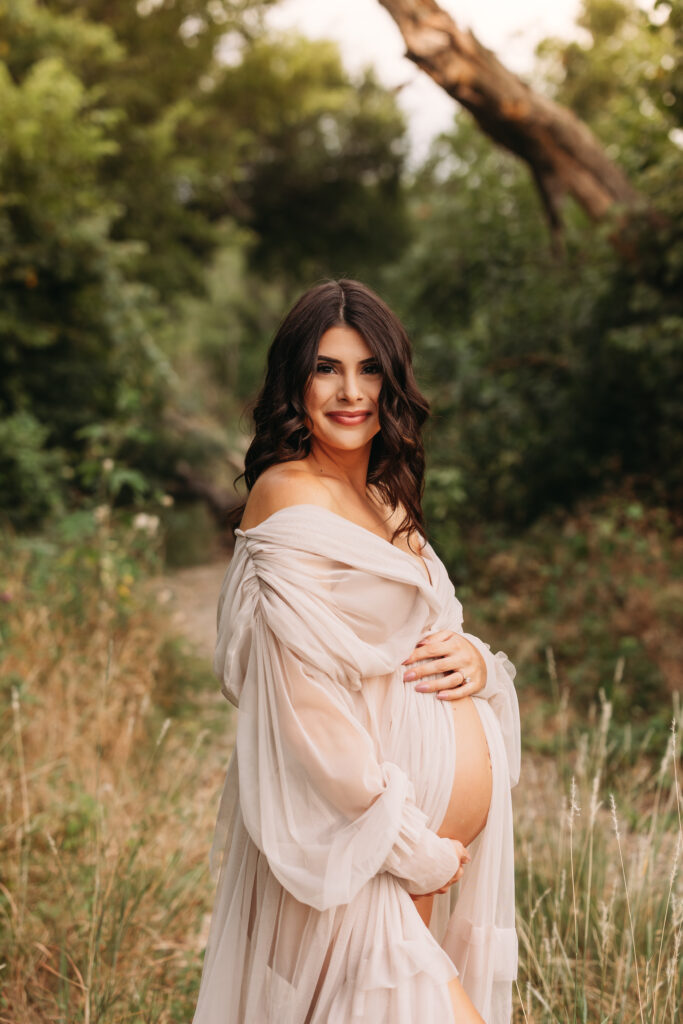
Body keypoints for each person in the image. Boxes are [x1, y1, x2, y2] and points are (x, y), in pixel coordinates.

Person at [191, 279, 521, 1023]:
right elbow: (302, 704)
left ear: (392, 381)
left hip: (408, 847)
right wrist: (407, 844)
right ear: (294, 381)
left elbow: (424, 633)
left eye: (369, 369)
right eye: (325, 368)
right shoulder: (286, 492)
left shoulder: (386, 497)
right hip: (360, 843)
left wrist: (473, 658)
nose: (350, 392)